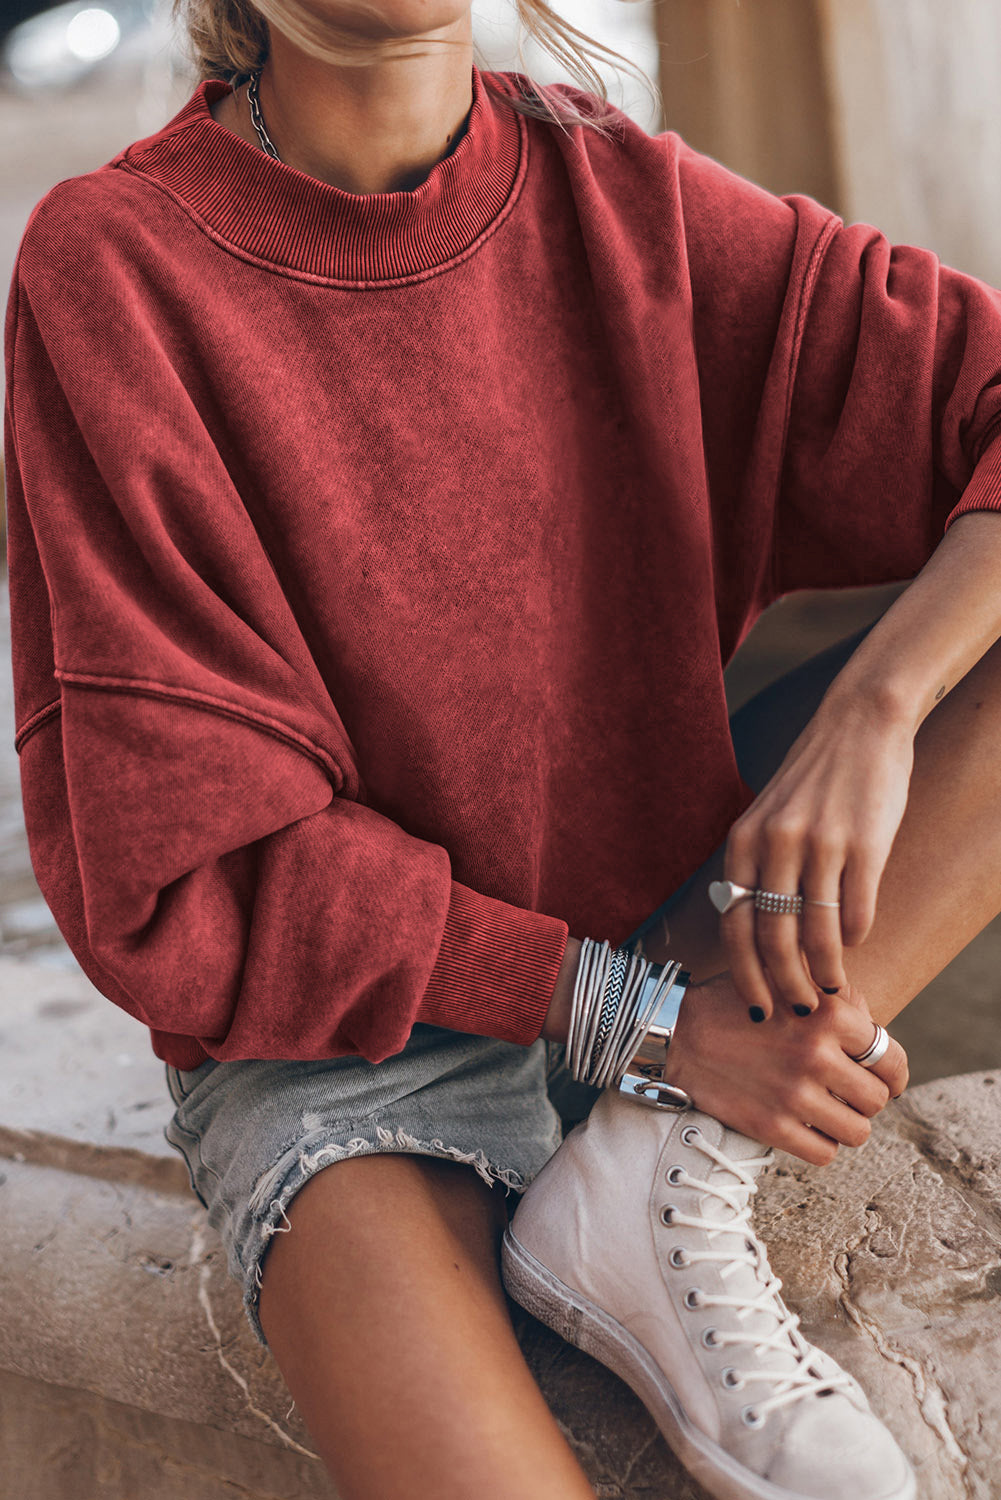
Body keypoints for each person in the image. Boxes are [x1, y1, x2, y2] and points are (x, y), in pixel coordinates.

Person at [5, 0, 1001, 1495]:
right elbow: (191, 867)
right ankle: (650, 1125)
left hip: (681, 937)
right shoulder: (115, 266)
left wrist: (878, 706)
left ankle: (657, 1168)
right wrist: (645, 1026)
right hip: (350, 1058)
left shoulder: (617, 193)